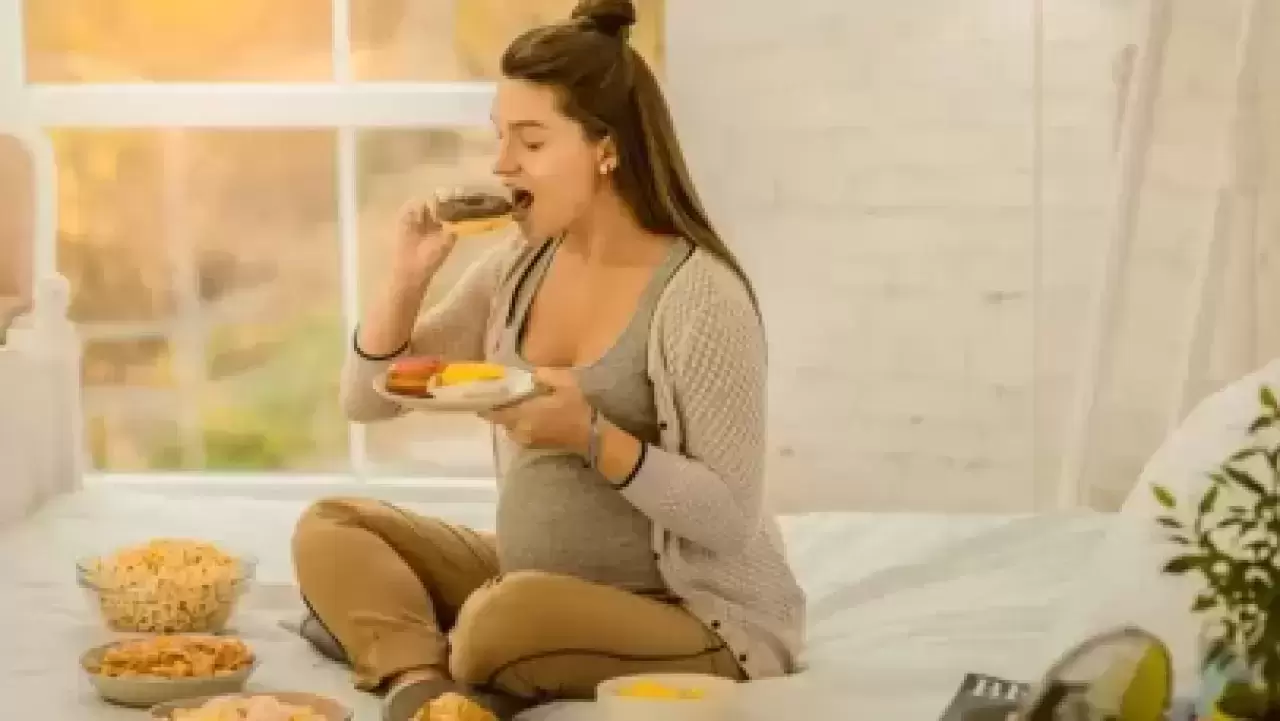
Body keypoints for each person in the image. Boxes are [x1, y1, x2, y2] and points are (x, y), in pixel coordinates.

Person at [289, 1, 807, 719]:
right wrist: (405, 280)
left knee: (500, 621)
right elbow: (368, 398)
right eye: (500, 136)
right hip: (528, 580)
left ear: (606, 149)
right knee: (335, 525)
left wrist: (591, 436)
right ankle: (421, 680)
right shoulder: (517, 266)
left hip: (686, 610)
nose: (501, 164)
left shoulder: (701, 295)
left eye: (530, 141)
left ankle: (407, 640)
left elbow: (728, 519)